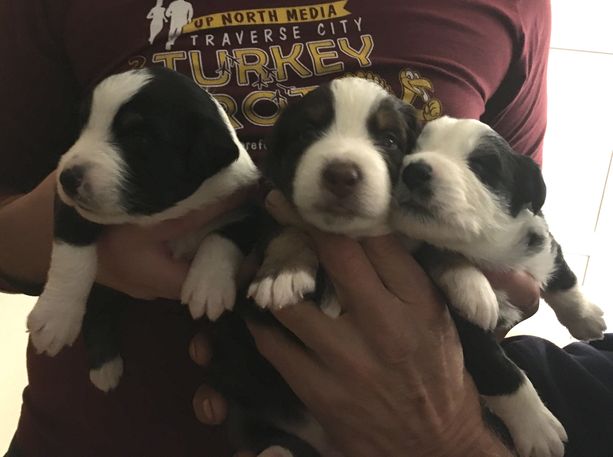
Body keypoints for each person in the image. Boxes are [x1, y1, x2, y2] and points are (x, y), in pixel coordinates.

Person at [1, 0, 611, 456]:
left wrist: (451, 430)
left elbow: (510, 215)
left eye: (389, 142)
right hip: (94, 433)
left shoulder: (510, 8)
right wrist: (100, 251)